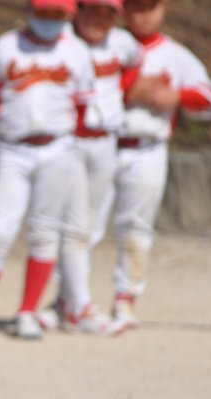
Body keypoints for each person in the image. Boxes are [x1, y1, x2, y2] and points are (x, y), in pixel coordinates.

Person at [0, 0, 94, 340]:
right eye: (44, 11)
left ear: (69, 15)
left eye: (57, 13)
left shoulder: (77, 51)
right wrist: (7, 125)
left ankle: (27, 312)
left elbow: (81, 104)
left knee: (44, 232)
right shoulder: (6, 46)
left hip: (58, 147)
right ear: (30, 10)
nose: (49, 19)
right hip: (14, 149)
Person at [99, 0, 211, 333]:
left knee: (136, 228)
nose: (143, 14)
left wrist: (177, 97)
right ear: (124, 10)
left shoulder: (175, 54)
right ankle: (71, 300)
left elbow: (210, 98)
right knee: (84, 226)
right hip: (102, 145)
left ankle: (125, 299)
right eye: (136, 7)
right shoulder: (107, 45)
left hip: (148, 148)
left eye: (149, 7)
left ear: (163, 8)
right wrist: (126, 92)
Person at [39, 0, 143, 333]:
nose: (99, 19)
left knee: (90, 227)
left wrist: (119, 93)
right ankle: (80, 307)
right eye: (93, 10)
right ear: (78, 10)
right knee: (75, 227)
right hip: (71, 141)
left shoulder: (123, 43)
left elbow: (135, 64)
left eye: (107, 13)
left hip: (106, 141)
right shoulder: (63, 42)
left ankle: (64, 301)